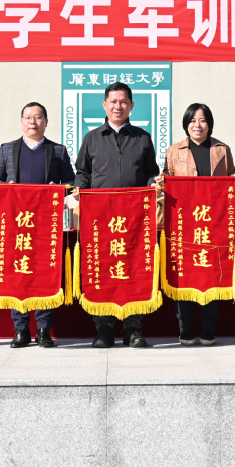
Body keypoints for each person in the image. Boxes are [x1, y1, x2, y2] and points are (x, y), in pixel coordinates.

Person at [74, 82, 162, 349]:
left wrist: (153, 184)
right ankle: (104, 329)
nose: (118, 106)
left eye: (123, 102)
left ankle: (133, 329)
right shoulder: (91, 138)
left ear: (131, 106)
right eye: (113, 102)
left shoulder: (142, 138)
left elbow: (151, 172)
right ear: (104, 105)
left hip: (135, 221)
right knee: (102, 269)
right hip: (101, 219)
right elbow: (83, 172)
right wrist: (79, 188)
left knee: (135, 269)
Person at [0, 102, 76, 349]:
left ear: (46, 122)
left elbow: (70, 181)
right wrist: (6, 187)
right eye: (28, 117)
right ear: (21, 121)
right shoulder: (7, 149)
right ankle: (20, 329)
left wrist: (58, 189)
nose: (32, 122)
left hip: (46, 224)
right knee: (17, 273)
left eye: (38, 117)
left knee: (45, 273)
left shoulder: (57, 150)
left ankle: (43, 329)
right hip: (16, 224)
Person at [159, 102, 235, 346]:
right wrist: (161, 182)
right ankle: (185, 329)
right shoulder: (174, 151)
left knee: (213, 273)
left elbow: (230, 180)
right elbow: (167, 182)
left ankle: (209, 329)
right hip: (185, 224)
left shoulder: (222, 149)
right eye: (192, 121)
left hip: (214, 223)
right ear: (186, 125)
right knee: (185, 274)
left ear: (209, 124)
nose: (197, 125)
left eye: (202, 120)